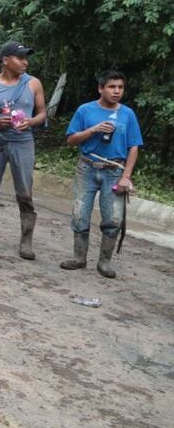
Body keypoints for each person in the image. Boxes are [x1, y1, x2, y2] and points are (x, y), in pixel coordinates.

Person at [59, 70, 143, 278]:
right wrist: (93, 130)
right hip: (87, 166)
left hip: (114, 170)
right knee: (80, 213)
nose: (116, 91)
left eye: (120, 87)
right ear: (100, 88)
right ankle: (79, 258)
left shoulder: (128, 114)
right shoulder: (85, 110)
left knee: (113, 218)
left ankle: (104, 262)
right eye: (111, 87)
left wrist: (127, 176)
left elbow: (134, 147)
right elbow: (71, 140)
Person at [0, 41, 47, 260]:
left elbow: (43, 113)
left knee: (25, 193)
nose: (25, 62)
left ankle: (26, 242)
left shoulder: (33, 84)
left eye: (26, 58)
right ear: (5, 60)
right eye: (20, 58)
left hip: (23, 142)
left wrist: (31, 122)